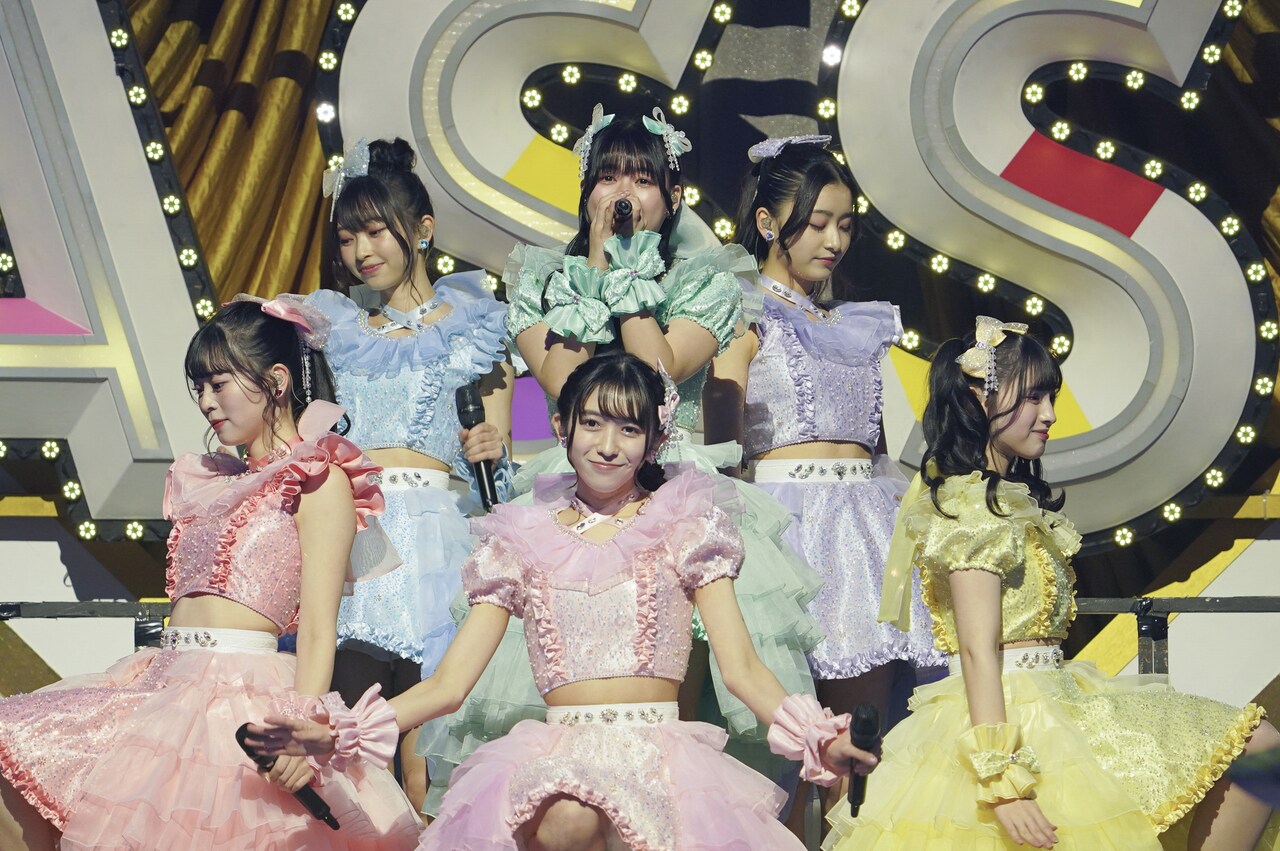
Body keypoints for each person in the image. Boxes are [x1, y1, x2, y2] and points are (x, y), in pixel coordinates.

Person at [247, 353, 878, 850]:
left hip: (662, 756)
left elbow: (742, 670)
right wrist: (338, 731)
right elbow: (448, 686)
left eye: (629, 428)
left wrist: (819, 737)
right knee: (568, 820)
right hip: (556, 757)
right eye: (593, 423)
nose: (608, 444)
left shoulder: (688, 526)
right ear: (561, 427)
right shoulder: (519, 540)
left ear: (655, 440)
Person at [419, 105, 825, 807]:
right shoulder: (546, 279)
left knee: (676, 695)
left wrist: (634, 278)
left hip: (677, 490)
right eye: (608, 177)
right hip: (574, 485)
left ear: (672, 196)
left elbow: (659, 375)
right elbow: (561, 381)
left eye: (642, 178)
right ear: (586, 194)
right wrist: (596, 268)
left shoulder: (702, 279)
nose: (624, 192)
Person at [823, 317, 1280, 850]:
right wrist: (1000, 777)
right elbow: (976, 649)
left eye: (1052, 397)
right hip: (1009, 719)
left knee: (1258, 747)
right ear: (978, 397)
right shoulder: (971, 508)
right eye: (1033, 397)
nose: (1050, 415)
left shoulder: (1008, 500)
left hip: (1061, 699)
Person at [0, 299, 423, 849]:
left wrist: (299, 730)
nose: (205, 402)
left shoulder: (319, 478)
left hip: (239, 698)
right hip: (161, 682)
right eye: (198, 387)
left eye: (218, 384)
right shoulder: (209, 479)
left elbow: (320, 628)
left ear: (276, 381)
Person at [706, 137, 946, 751]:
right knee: (786, 738)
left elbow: (876, 443)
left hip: (866, 526)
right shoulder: (742, 312)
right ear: (768, 223)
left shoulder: (855, 324)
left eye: (844, 225)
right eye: (816, 224)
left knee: (862, 737)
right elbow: (721, 442)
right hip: (783, 530)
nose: (834, 241)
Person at [306, 136, 513, 807]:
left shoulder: (477, 327)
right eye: (347, 238)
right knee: (350, 747)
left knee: (432, 761)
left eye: (375, 231)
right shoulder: (336, 334)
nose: (361, 251)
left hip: (444, 543)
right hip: (362, 541)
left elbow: (500, 481)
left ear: (422, 229)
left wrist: (491, 449)